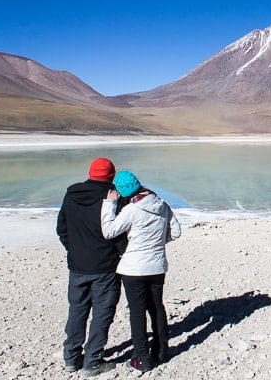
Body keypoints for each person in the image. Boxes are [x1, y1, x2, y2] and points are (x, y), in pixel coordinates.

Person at [101, 170, 181, 373]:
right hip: (157, 266)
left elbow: (109, 231)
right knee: (157, 307)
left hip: (134, 268)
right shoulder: (162, 205)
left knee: (137, 312)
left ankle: (142, 359)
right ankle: (162, 352)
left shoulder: (131, 210)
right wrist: (158, 243)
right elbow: (176, 232)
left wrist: (109, 204)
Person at [56, 157, 126, 376]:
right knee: (103, 312)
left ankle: (71, 358)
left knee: (77, 309)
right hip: (105, 265)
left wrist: (74, 249)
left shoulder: (71, 195)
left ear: (90, 173)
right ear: (111, 175)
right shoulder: (113, 197)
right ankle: (92, 361)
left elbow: (62, 228)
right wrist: (119, 253)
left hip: (77, 265)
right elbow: (120, 233)